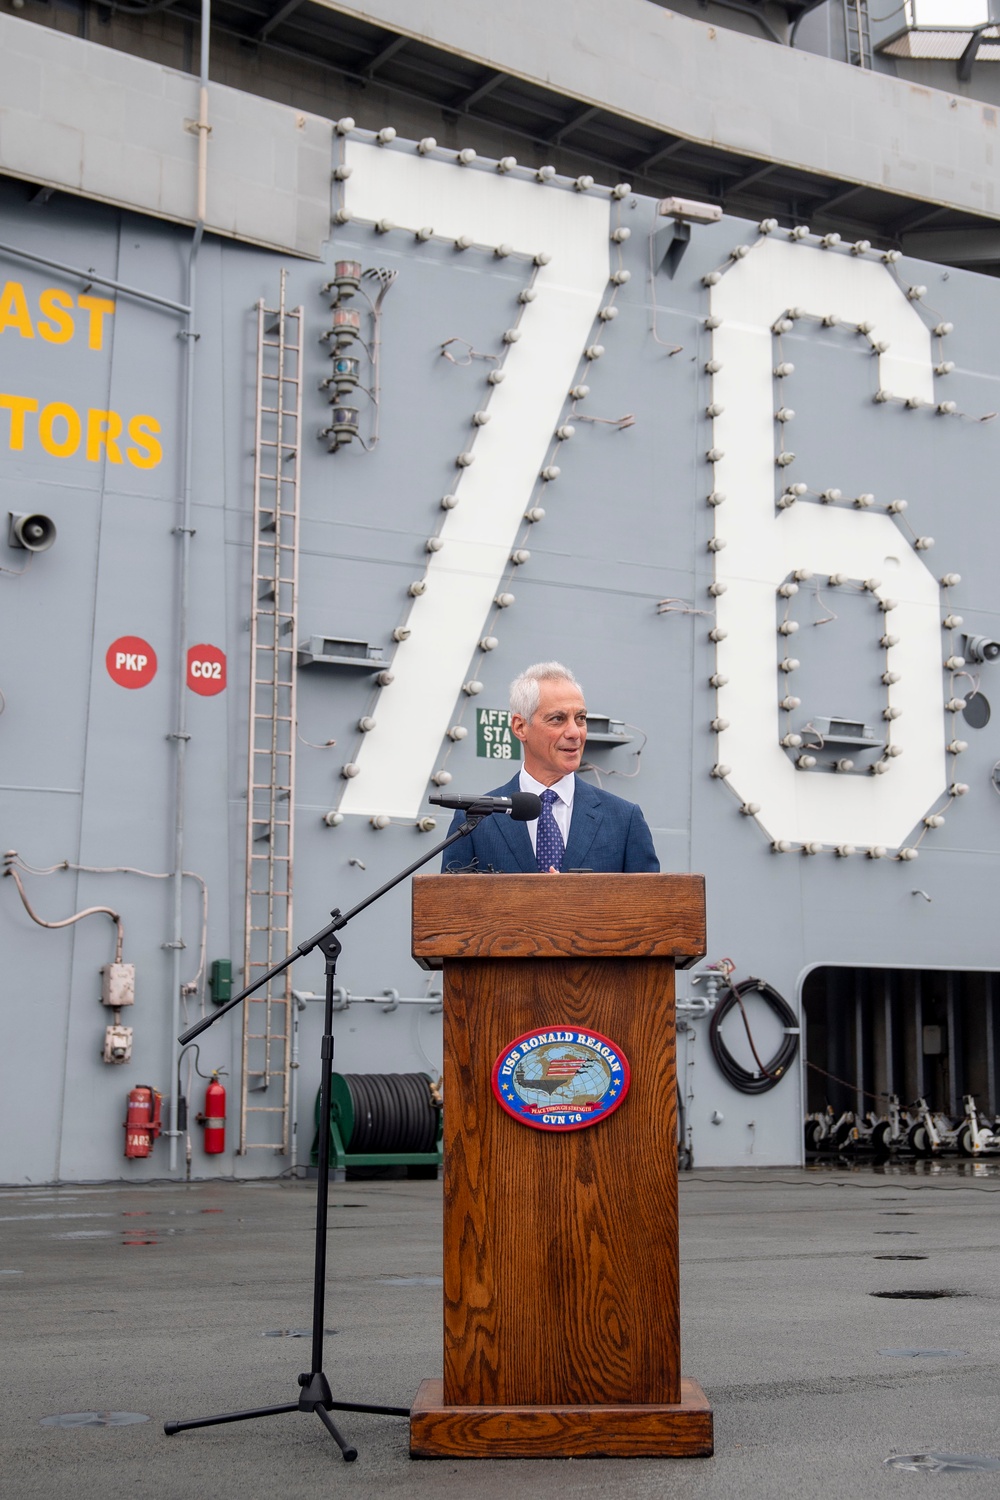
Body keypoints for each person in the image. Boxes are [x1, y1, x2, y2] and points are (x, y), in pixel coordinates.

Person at [442, 662, 659, 873]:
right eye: (558, 719)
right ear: (520, 727)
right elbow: (450, 908)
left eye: (580, 718)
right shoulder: (474, 822)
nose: (575, 732)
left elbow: (651, 907)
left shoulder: (624, 820)